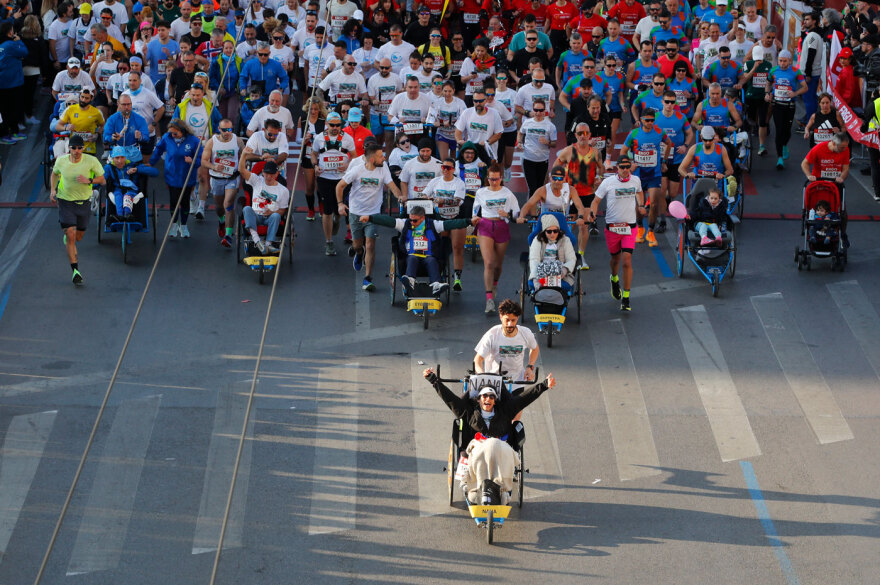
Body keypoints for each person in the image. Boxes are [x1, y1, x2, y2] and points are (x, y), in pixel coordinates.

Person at [423, 362, 556, 505]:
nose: (488, 399)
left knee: (494, 445)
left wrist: (544, 385)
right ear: (478, 399)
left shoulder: (505, 411)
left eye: (491, 396)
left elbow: (525, 398)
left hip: (501, 451)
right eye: (484, 396)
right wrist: (433, 380)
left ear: (495, 400)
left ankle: (501, 491)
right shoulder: (468, 413)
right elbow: (450, 399)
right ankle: (476, 489)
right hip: (476, 452)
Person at [337, 142, 401, 291]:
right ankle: (359, 253)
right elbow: (339, 186)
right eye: (380, 156)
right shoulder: (357, 170)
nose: (383, 158)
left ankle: (368, 278)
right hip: (355, 212)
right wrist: (340, 204)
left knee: (371, 244)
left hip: (373, 213)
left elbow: (392, 186)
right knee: (357, 245)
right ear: (372, 159)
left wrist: (400, 197)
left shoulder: (383, 169)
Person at [362, 204, 467, 295]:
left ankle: (436, 284)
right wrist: (370, 218)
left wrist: (469, 221)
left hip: (428, 256)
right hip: (411, 256)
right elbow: (388, 221)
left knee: (431, 260)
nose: (412, 222)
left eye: (415, 220)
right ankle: (410, 281)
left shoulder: (433, 224)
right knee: (412, 258)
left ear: (422, 218)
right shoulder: (405, 223)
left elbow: (452, 224)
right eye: (410, 219)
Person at [586, 155, 646, 312]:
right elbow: (596, 201)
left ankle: (626, 297)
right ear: (617, 168)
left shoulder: (636, 180)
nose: (625, 170)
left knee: (627, 260)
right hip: (612, 227)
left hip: (629, 227)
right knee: (615, 259)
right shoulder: (608, 182)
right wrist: (592, 213)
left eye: (628, 167)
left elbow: (639, 193)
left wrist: (641, 205)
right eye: (622, 167)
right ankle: (613, 278)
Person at [50, 134, 106, 285]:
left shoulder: (91, 161)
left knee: (78, 237)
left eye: (79, 148)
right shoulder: (61, 161)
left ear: (83, 148)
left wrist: (89, 180)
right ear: (69, 149)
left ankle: (70, 238)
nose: (76, 151)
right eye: (73, 148)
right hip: (65, 201)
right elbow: (54, 174)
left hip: (84, 203)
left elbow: (102, 180)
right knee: (71, 234)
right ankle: (75, 271)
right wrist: (52, 190)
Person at [620, 108, 673, 248]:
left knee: (654, 203)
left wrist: (664, 161)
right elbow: (623, 151)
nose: (650, 123)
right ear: (641, 120)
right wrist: (630, 163)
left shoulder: (659, 132)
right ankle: (640, 229)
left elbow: (669, 143)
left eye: (652, 120)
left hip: (654, 174)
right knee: (639, 205)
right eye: (647, 120)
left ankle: (650, 231)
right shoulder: (634, 133)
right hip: (639, 175)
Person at [472, 163, 520, 314]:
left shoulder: (507, 193)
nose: (494, 182)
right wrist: (474, 218)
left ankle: (495, 283)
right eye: (491, 179)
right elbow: (475, 210)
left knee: (498, 265)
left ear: (501, 178)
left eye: (496, 179)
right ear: (488, 178)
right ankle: (489, 300)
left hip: (501, 226)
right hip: (485, 225)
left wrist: (508, 215)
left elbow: (517, 213)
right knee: (489, 263)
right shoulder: (481, 192)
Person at [553, 122, 601, 263]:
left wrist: (599, 178)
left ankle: (580, 256)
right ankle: (563, 255)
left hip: (587, 194)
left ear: (590, 135)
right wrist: (559, 182)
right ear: (575, 135)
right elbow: (556, 167)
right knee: (568, 227)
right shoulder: (568, 151)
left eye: (585, 133)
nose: (583, 136)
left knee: (584, 227)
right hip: (570, 195)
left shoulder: (595, 152)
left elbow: (601, 168)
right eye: (580, 133)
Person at [148, 119, 202, 238]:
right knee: (173, 201)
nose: (173, 135)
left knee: (185, 202)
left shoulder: (193, 141)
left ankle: (183, 225)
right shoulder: (167, 138)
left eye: (175, 133)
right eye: (171, 133)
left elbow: (201, 158)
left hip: (187, 177)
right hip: (172, 176)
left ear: (182, 131)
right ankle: (173, 224)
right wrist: (151, 163)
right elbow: (158, 150)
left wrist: (193, 161)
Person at [312, 111, 355, 256]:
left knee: (340, 209)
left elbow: (355, 156)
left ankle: (338, 217)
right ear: (327, 124)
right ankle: (329, 242)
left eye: (338, 125)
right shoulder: (319, 138)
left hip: (342, 179)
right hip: (325, 178)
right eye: (332, 125)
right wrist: (315, 166)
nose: (335, 128)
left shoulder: (347, 138)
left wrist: (347, 165)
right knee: (327, 210)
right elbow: (313, 154)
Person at [422, 158, 468, 290]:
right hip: (439, 217)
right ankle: (439, 272)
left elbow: (458, 201)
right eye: (444, 168)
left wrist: (442, 200)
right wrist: (427, 198)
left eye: (449, 168)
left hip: (455, 217)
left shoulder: (459, 183)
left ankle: (457, 278)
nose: (446, 170)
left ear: (454, 169)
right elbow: (424, 195)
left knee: (457, 247)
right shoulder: (435, 181)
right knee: (439, 246)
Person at [202, 119, 244, 248]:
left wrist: (243, 167)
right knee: (220, 207)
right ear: (219, 129)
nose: (227, 132)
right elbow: (203, 161)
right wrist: (214, 167)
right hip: (216, 178)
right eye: (225, 130)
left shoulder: (237, 140)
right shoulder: (212, 142)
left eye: (230, 129)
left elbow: (244, 155)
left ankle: (228, 235)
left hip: (232, 178)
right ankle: (221, 221)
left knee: (228, 204)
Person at [765, 50, 807, 170]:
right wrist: (768, 93)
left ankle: (784, 145)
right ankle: (779, 158)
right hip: (777, 104)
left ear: (789, 61)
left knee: (787, 130)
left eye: (785, 61)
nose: (782, 63)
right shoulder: (773, 70)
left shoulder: (795, 71)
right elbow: (768, 83)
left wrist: (795, 93)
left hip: (790, 105)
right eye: (780, 61)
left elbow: (805, 87)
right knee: (778, 130)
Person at [237, 158, 289, 254]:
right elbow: (241, 170)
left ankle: (268, 244)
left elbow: (282, 211)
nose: (269, 177)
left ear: (277, 174)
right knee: (247, 209)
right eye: (266, 174)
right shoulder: (257, 180)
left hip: (270, 217)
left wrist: (272, 212)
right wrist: (244, 154)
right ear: (262, 172)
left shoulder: (283, 190)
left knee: (276, 216)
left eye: (272, 174)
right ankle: (257, 241)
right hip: (255, 215)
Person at [102, 145, 159, 218]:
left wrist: (137, 169)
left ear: (126, 157)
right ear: (113, 158)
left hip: (131, 190)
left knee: (127, 196)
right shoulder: (108, 167)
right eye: (117, 158)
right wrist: (91, 186)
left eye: (122, 157)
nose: (120, 161)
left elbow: (155, 172)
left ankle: (127, 214)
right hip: (117, 189)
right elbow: (102, 178)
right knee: (118, 197)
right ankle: (119, 216)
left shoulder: (133, 165)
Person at [516, 97, 557, 196]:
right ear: (533, 110)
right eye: (536, 110)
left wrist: (547, 142)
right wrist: (519, 143)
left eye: (541, 110)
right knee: (532, 188)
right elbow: (520, 133)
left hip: (542, 160)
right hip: (528, 159)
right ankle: (532, 211)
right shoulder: (527, 122)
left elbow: (554, 144)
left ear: (544, 111)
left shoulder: (550, 126)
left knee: (540, 188)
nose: (538, 113)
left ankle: (539, 209)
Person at [528, 214, 577, 293]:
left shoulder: (565, 240)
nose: (552, 234)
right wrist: (536, 277)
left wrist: (564, 270)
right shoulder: (537, 241)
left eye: (555, 231)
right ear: (544, 231)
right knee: (541, 284)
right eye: (549, 231)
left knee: (557, 284)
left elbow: (571, 259)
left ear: (559, 230)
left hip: (560, 274)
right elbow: (534, 259)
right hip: (541, 273)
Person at [0, 22, 30, 144]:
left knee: (6, 110)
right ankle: (10, 133)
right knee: (13, 109)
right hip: (13, 83)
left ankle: (11, 132)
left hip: (4, 83)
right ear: (10, 32)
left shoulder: (2, 45)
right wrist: (19, 41)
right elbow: (24, 52)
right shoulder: (11, 45)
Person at [55, 88, 105, 155]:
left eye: (87, 98)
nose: (83, 100)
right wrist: (66, 128)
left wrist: (96, 134)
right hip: (74, 148)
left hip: (89, 149)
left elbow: (103, 126)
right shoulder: (70, 109)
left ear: (91, 99)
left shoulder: (97, 112)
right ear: (79, 96)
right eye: (82, 97)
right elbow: (58, 126)